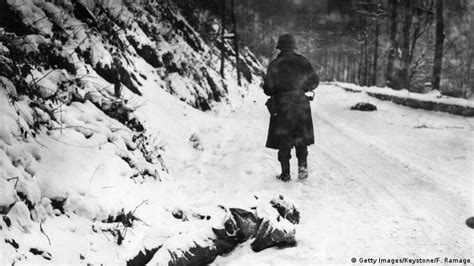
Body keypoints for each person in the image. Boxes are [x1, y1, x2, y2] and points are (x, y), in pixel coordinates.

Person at [263, 33, 319, 182]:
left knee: (284, 140)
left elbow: (268, 89)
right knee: (301, 140)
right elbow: (315, 81)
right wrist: (302, 88)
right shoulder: (303, 62)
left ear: (279, 47)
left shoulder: (275, 65)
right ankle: (302, 172)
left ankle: (285, 173)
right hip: (301, 104)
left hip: (282, 107)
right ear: (294, 46)